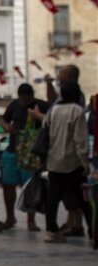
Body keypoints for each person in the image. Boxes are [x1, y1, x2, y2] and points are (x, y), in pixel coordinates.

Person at [44, 81, 90, 243]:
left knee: (53, 197)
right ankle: (92, 230)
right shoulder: (77, 111)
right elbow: (80, 140)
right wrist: (85, 162)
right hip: (72, 162)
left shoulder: (53, 110)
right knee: (83, 198)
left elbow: (45, 130)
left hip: (53, 161)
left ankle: (51, 230)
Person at [0, 83, 50, 231]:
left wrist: (37, 116)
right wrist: (8, 127)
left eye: (26, 100)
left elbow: (51, 120)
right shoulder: (14, 105)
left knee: (29, 186)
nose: (24, 102)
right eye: (22, 99)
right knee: (8, 184)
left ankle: (31, 220)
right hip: (13, 149)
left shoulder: (41, 105)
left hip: (32, 153)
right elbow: (3, 120)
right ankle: (10, 217)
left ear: (32, 96)